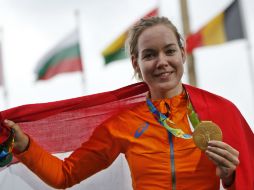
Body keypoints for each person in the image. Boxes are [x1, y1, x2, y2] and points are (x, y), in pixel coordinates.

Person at [3, 16, 254, 190]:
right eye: (150, 55)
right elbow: (64, 175)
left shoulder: (220, 112)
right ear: (136, 64)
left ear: (182, 54)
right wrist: (24, 146)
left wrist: (229, 177)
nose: (162, 61)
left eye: (169, 51)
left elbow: (247, 179)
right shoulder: (123, 125)